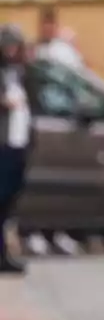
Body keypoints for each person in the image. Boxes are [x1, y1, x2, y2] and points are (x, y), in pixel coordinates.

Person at [0, 25, 32, 275]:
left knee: (9, 200)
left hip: (18, 143)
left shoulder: (19, 72)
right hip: (3, 144)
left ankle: (4, 255)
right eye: (8, 46)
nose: (11, 50)